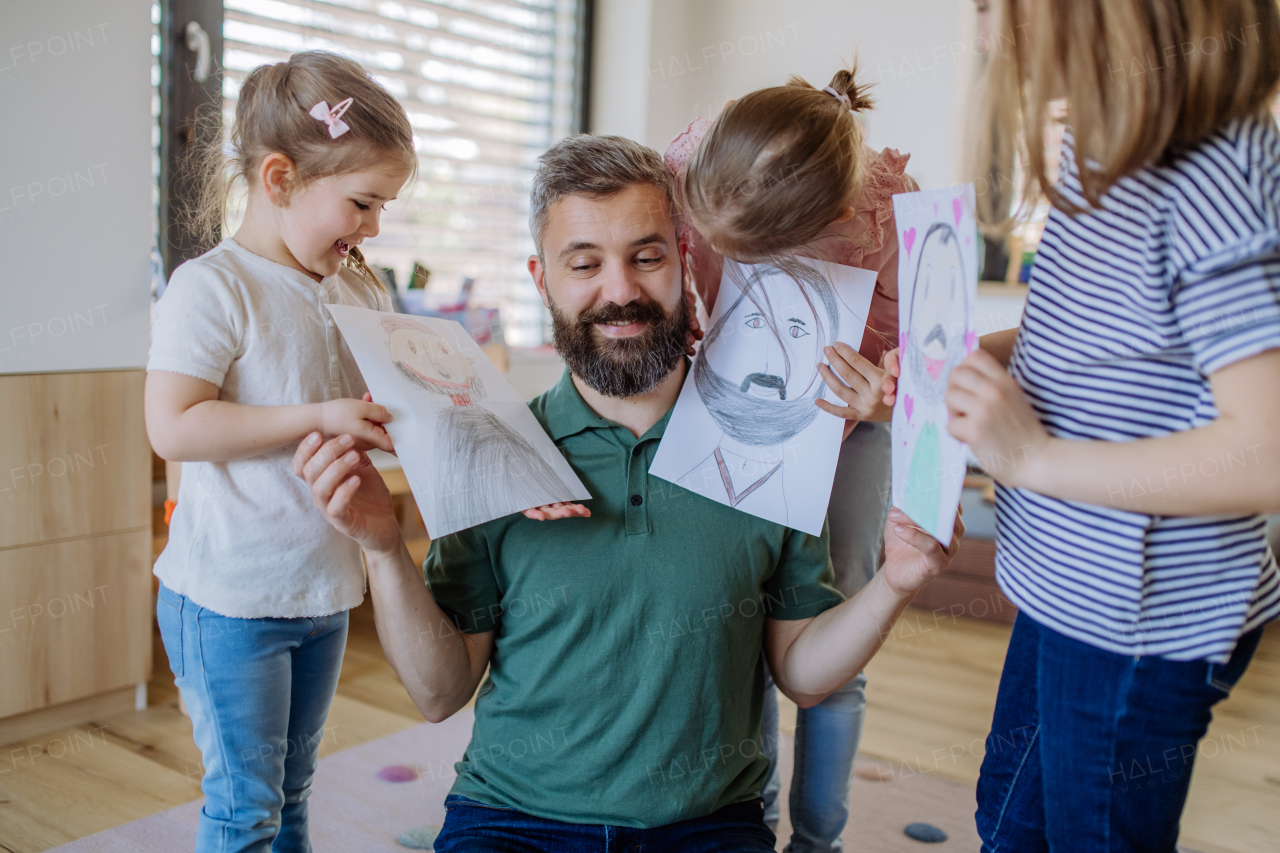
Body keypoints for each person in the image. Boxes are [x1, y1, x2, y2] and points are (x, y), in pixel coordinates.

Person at [293, 133, 962, 852]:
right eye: (584, 264)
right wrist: (384, 549)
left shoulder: (769, 451)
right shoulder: (491, 446)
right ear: (541, 277)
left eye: (647, 257)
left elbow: (801, 673)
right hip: (514, 820)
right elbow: (439, 691)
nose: (621, 291)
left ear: (684, 259)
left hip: (707, 826)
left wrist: (895, 581)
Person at [882, 1, 1280, 849]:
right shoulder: (1097, 152)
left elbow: (1266, 448)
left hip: (1137, 620)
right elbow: (1098, 337)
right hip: (1065, 586)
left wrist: (1032, 458)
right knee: (1009, 822)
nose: (987, 27)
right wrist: (951, 359)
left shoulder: (1215, 172)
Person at [144, 51, 415, 850]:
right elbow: (176, 426)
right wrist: (319, 415)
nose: (372, 228)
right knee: (244, 805)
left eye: (384, 208)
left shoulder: (353, 288)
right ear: (279, 178)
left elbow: (380, 401)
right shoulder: (213, 287)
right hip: (229, 599)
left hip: (319, 591)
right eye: (363, 203)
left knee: (294, 795)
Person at [666, 66, 918, 849]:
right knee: (734, 628)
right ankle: (751, 821)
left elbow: (932, 365)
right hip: (727, 424)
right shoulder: (686, 165)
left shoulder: (890, 211)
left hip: (852, 436)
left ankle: (819, 837)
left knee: (834, 640)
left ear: (834, 215)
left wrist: (885, 396)